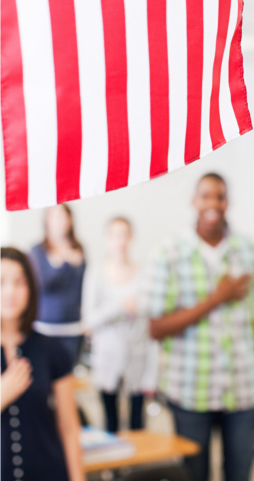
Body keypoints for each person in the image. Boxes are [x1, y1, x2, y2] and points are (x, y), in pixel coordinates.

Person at [146, 173, 254, 481]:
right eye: (205, 196)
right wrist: (216, 298)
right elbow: (156, 327)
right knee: (192, 473)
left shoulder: (251, 251)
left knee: (240, 472)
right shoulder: (169, 254)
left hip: (244, 388)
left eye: (219, 197)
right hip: (190, 389)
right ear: (194, 201)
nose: (213, 203)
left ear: (228, 202)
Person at [1, 247, 85, 481]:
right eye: (1, 282)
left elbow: (68, 426)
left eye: (19, 282)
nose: (10, 291)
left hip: (47, 470)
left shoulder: (52, 349)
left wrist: (78, 477)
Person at [82, 217, 158, 433]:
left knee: (138, 424)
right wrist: (119, 306)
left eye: (124, 234)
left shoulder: (144, 274)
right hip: (107, 360)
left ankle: (138, 467)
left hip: (138, 360)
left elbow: (150, 324)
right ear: (107, 239)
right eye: (115, 235)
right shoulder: (96, 273)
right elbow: (88, 320)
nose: (120, 241)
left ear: (131, 238)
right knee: (110, 423)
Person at [30, 204, 86, 365]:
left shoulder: (79, 249)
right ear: (47, 220)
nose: (59, 221)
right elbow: (42, 283)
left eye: (63, 216)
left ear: (70, 219)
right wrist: (65, 262)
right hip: (43, 327)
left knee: (68, 374)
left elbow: (84, 287)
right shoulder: (38, 251)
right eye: (54, 216)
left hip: (72, 327)